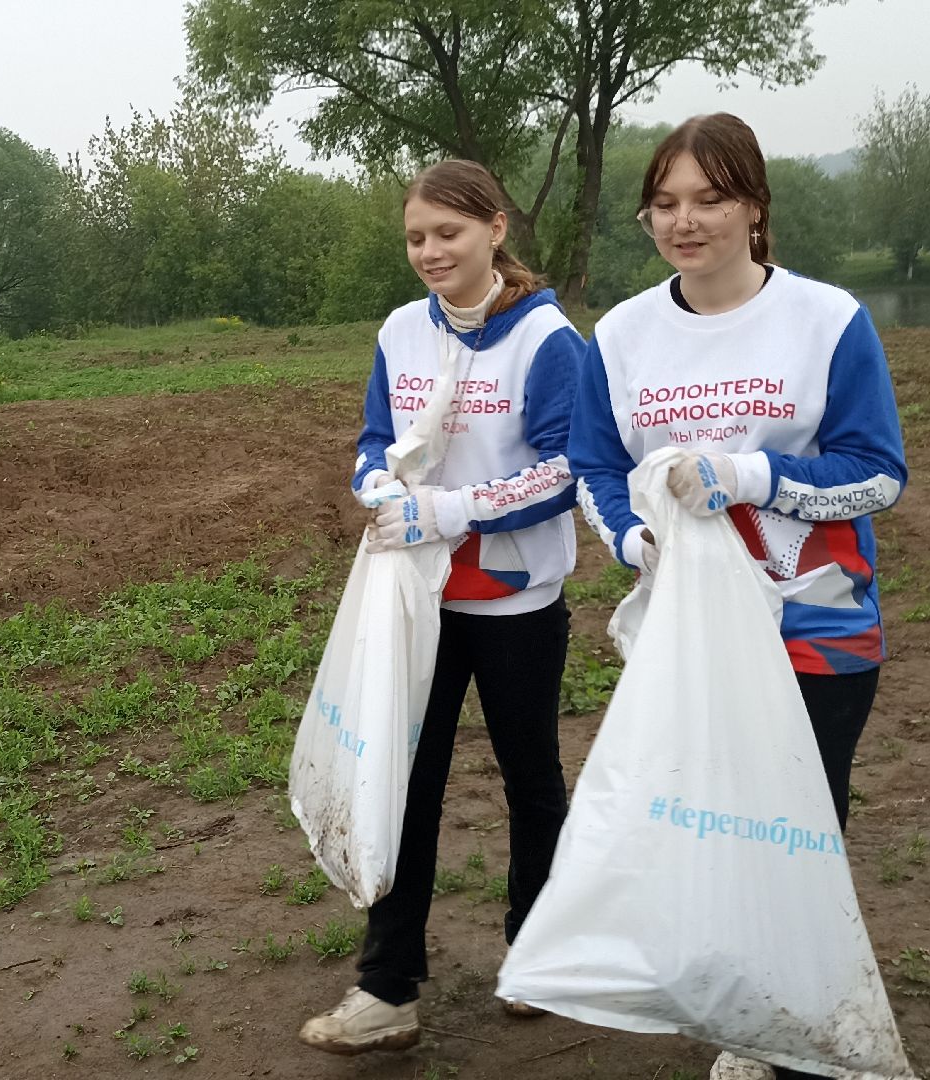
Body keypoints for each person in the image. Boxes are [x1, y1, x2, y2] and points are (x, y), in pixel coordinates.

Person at [566, 114, 907, 1080]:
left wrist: (755, 477)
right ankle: (751, 1018)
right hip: (693, 633)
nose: (687, 221)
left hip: (818, 623)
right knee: (716, 824)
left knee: (799, 827)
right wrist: (635, 540)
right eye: (666, 203)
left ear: (754, 205)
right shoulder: (624, 337)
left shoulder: (826, 320)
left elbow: (879, 474)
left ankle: (802, 1019)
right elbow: (594, 461)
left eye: (711, 199)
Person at [297, 159, 584, 1055]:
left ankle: (538, 953)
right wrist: (377, 481)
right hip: (414, 601)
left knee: (530, 779)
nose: (429, 251)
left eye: (448, 233)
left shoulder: (547, 340)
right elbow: (375, 436)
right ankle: (387, 990)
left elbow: (569, 468)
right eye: (416, 236)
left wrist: (456, 509)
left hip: (513, 600)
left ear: (496, 230)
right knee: (401, 780)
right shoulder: (399, 331)